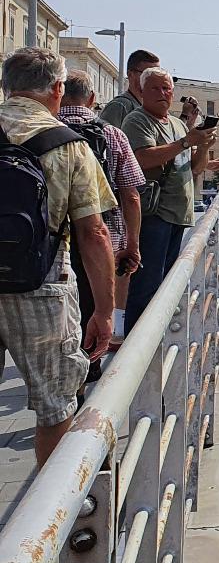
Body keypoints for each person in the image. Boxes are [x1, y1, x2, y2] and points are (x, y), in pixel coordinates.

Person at [0, 48, 118, 465]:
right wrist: (104, 311)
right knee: (55, 408)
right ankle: (59, 519)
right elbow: (94, 231)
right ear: (56, 89)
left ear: (6, 85)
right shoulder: (69, 145)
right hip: (41, 287)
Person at [123, 67, 219, 328]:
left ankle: (156, 337)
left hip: (178, 214)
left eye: (167, 89)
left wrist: (203, 146)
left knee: (165, 284)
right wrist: (185, 142)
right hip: (154, 212)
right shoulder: (137, 121)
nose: (163, 93)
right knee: (147, 284)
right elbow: (141, 157)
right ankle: (136, 343)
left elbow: (194, 167)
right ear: (142, 91)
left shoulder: (178, 124)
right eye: (156, 88)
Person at [58, 70, 146, 362]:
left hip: (53, 239)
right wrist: (132, 244)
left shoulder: (44, 130)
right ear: (93, 99)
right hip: (103, 235)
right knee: (95, 304)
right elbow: (131, 196)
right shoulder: (112, 134)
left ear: (57, 93)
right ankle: (90, 361)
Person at [96, 48, 160, 130]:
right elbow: (106, 140)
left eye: (158, 73)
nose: (155, 78)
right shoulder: (119, 106)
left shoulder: (152, 108)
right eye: (147, 73)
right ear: (130, 74)